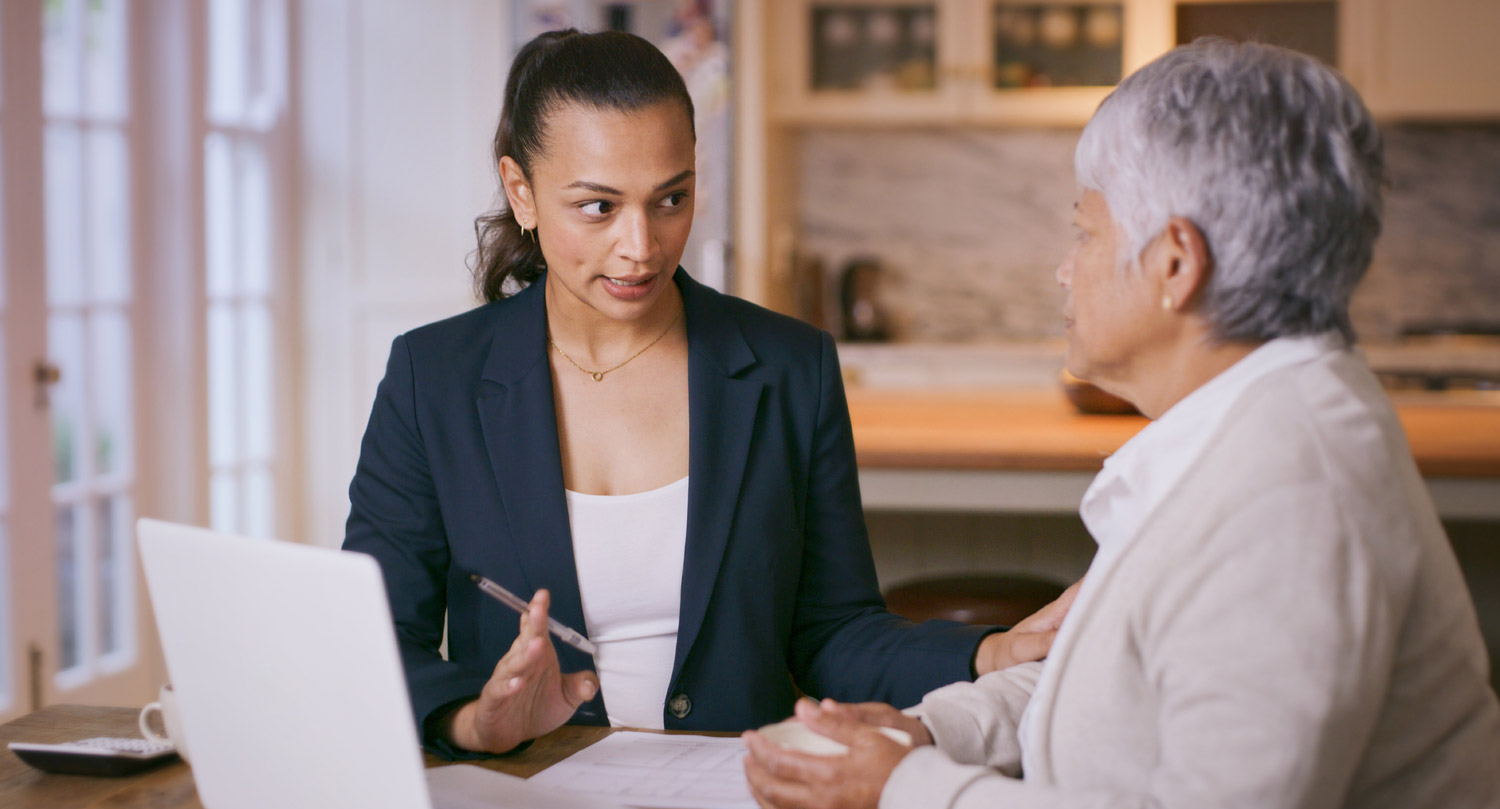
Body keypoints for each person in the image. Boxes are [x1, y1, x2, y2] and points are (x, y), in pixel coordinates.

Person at [742, 38, 1500, 809]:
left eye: (1086, 232)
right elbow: (1104, 684)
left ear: (1175, 264)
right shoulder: (1244, 428)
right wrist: (925, 733)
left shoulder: (1289, 496)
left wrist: (906, 797)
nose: (1065, 272)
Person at [342, 29, 1070, 760]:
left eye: (671, 199)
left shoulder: (790, 368)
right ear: (521, 192)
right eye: (598, 207)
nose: (641, 245)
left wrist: (989, 656)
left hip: (735, 805)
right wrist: (475, 722)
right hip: (527, 803)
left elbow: (833, 632)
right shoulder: (431, 379)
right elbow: (373, 639)